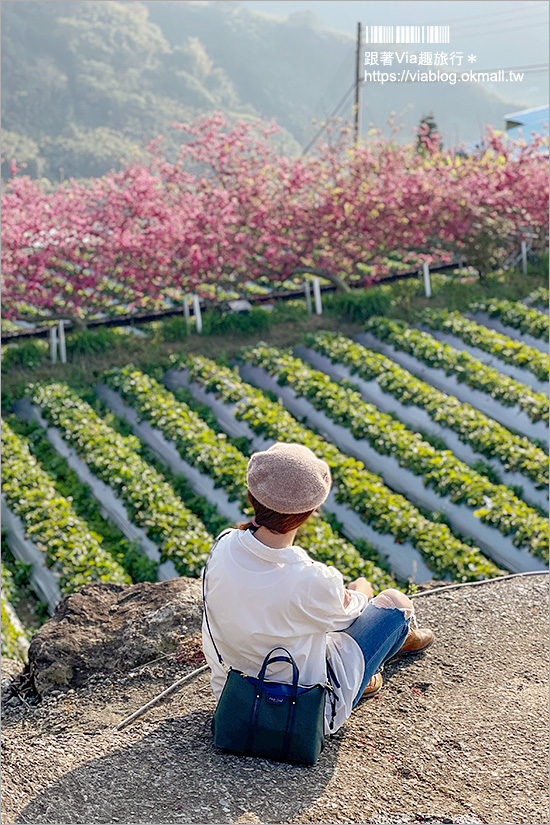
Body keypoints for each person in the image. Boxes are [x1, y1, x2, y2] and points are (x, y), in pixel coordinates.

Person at [201, 441, 434, 735]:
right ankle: (375, 667)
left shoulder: (223, 545)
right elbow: (351, 616)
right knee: (396, 604)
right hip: (299, 712)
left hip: (233, 697)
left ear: (252, 496)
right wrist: (361, 589)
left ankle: (373, 667)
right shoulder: (312, 579)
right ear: (309, 511)